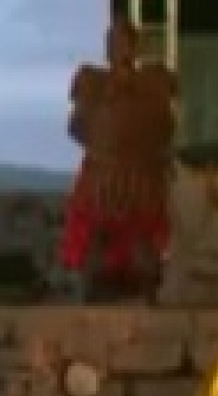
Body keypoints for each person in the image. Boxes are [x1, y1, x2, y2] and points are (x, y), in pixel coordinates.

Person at [61, 16, 176, 300]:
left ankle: (149, 296)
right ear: (108, 48)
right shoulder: (93, 83)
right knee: (96, 239)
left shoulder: (154, 83)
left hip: (141, 176)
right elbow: (76, 127)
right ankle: (92, 294)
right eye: (114, 43)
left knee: (143, 243)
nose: (121, 49)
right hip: (102, 173)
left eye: (126, 43)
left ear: (135, 48)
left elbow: (166, 128)